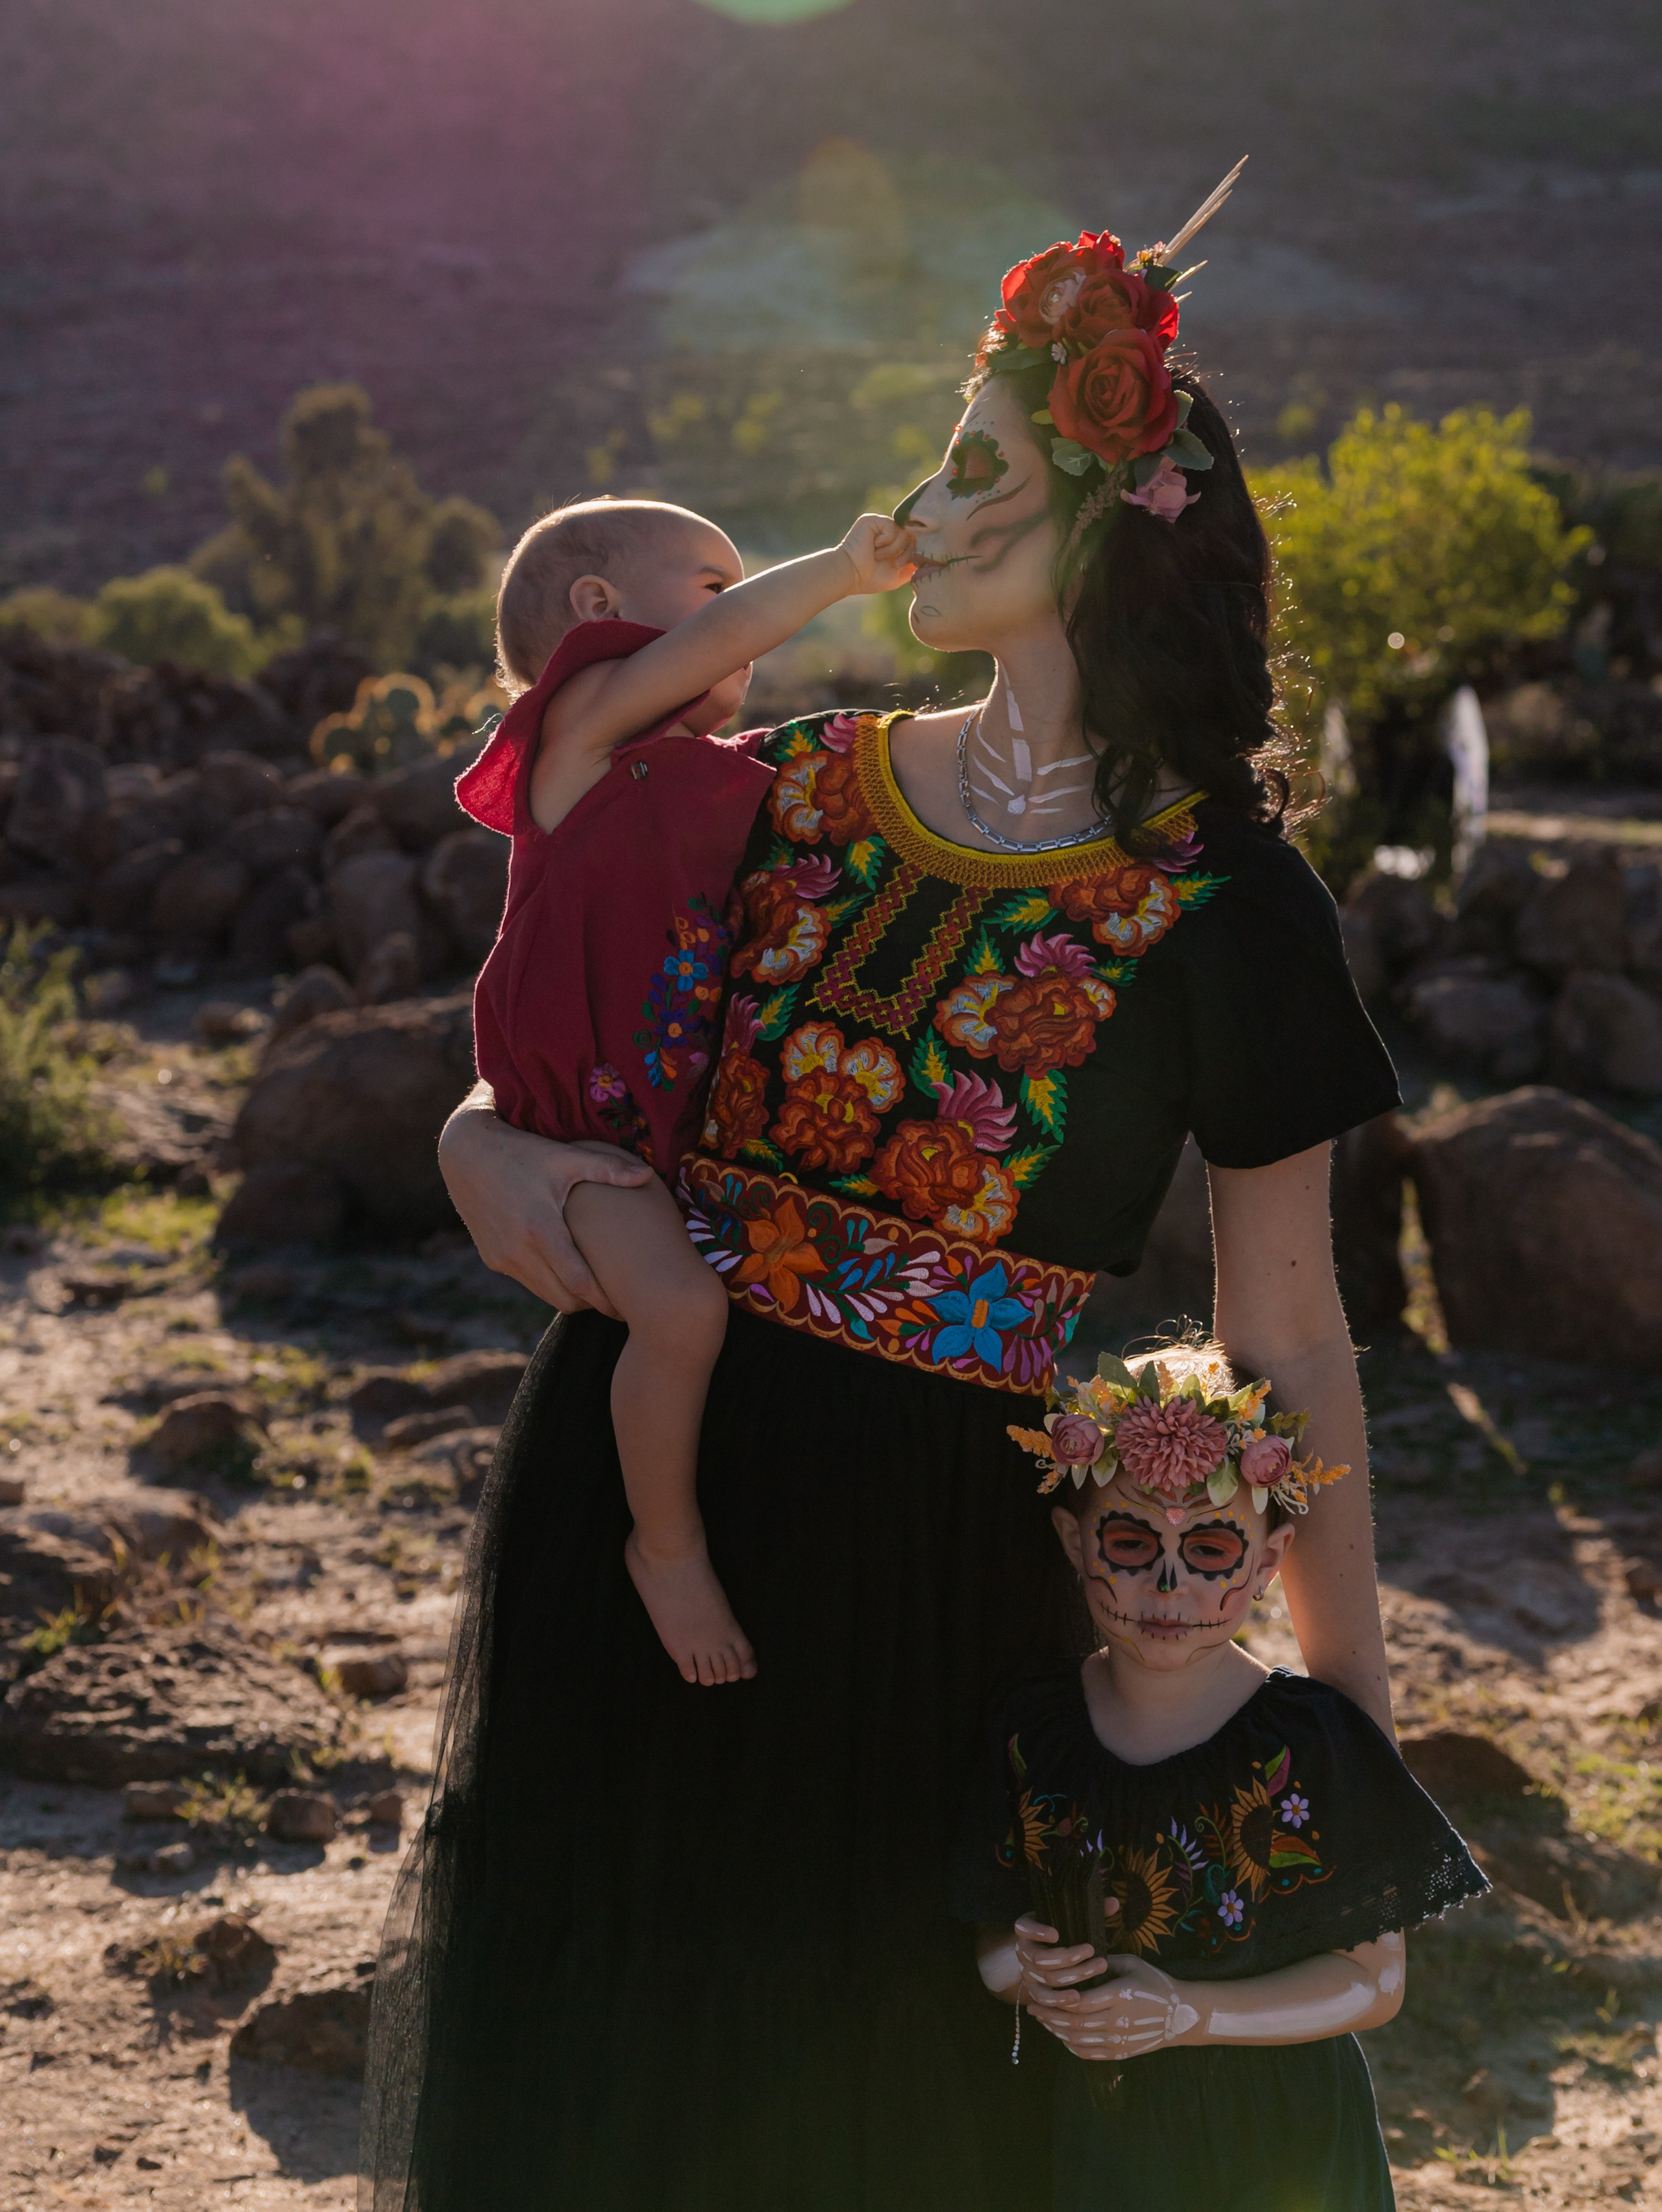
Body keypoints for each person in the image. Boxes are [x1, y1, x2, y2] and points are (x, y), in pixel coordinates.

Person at [362, 183, 1406, 2212]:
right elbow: (567, 1026)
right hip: (647, 1515)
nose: (918, 508)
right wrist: (469, 1137)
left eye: (972, 470)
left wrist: (1351, 1708)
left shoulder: (1231, 908)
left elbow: (1288, 1336)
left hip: (952, 1569)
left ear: (1106, 515)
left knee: (883, 2092)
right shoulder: (793, 791)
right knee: (624, 2067)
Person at [457, 496, 917, 1685]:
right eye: (718, 591)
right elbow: (706, 653)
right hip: (583, 1129)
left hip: (663, 1116)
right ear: (600, 614)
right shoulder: (580, 728)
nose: (741, 633)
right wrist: (839, 568)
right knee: (684, 1314)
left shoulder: (698, 776)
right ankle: (665, 1544)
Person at [964, 1342, 1487, 2212]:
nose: (1167, 1585)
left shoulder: (1312, 1740)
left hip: (1278, 2140)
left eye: (1209, 1548)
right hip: (1095, 2135)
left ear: (1271, 1557)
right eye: (1129, 1540)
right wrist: (1025, 1969)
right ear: (1071, 1536)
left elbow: (1376, 1984)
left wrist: (1188, 2013)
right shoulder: (1031, 1727)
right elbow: (989, 1940)